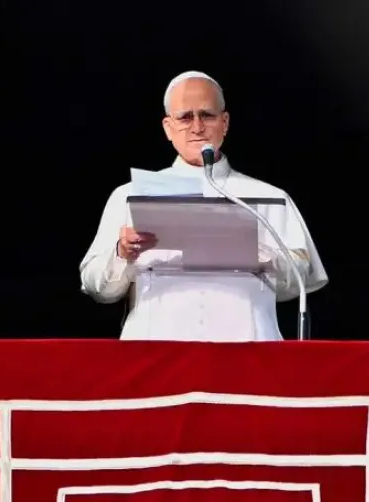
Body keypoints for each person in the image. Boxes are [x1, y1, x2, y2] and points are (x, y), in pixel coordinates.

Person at [79, 71, 328, 341]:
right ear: (167, 127)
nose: (197, 127)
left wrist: (257, 253)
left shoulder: (269, 197)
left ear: (225, 122)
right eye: (185, 117)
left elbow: (300, 279)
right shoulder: (129, 196)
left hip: (248, 359)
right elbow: (96, 287)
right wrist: (122, 253)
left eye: (207, 115)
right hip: (156, 358)